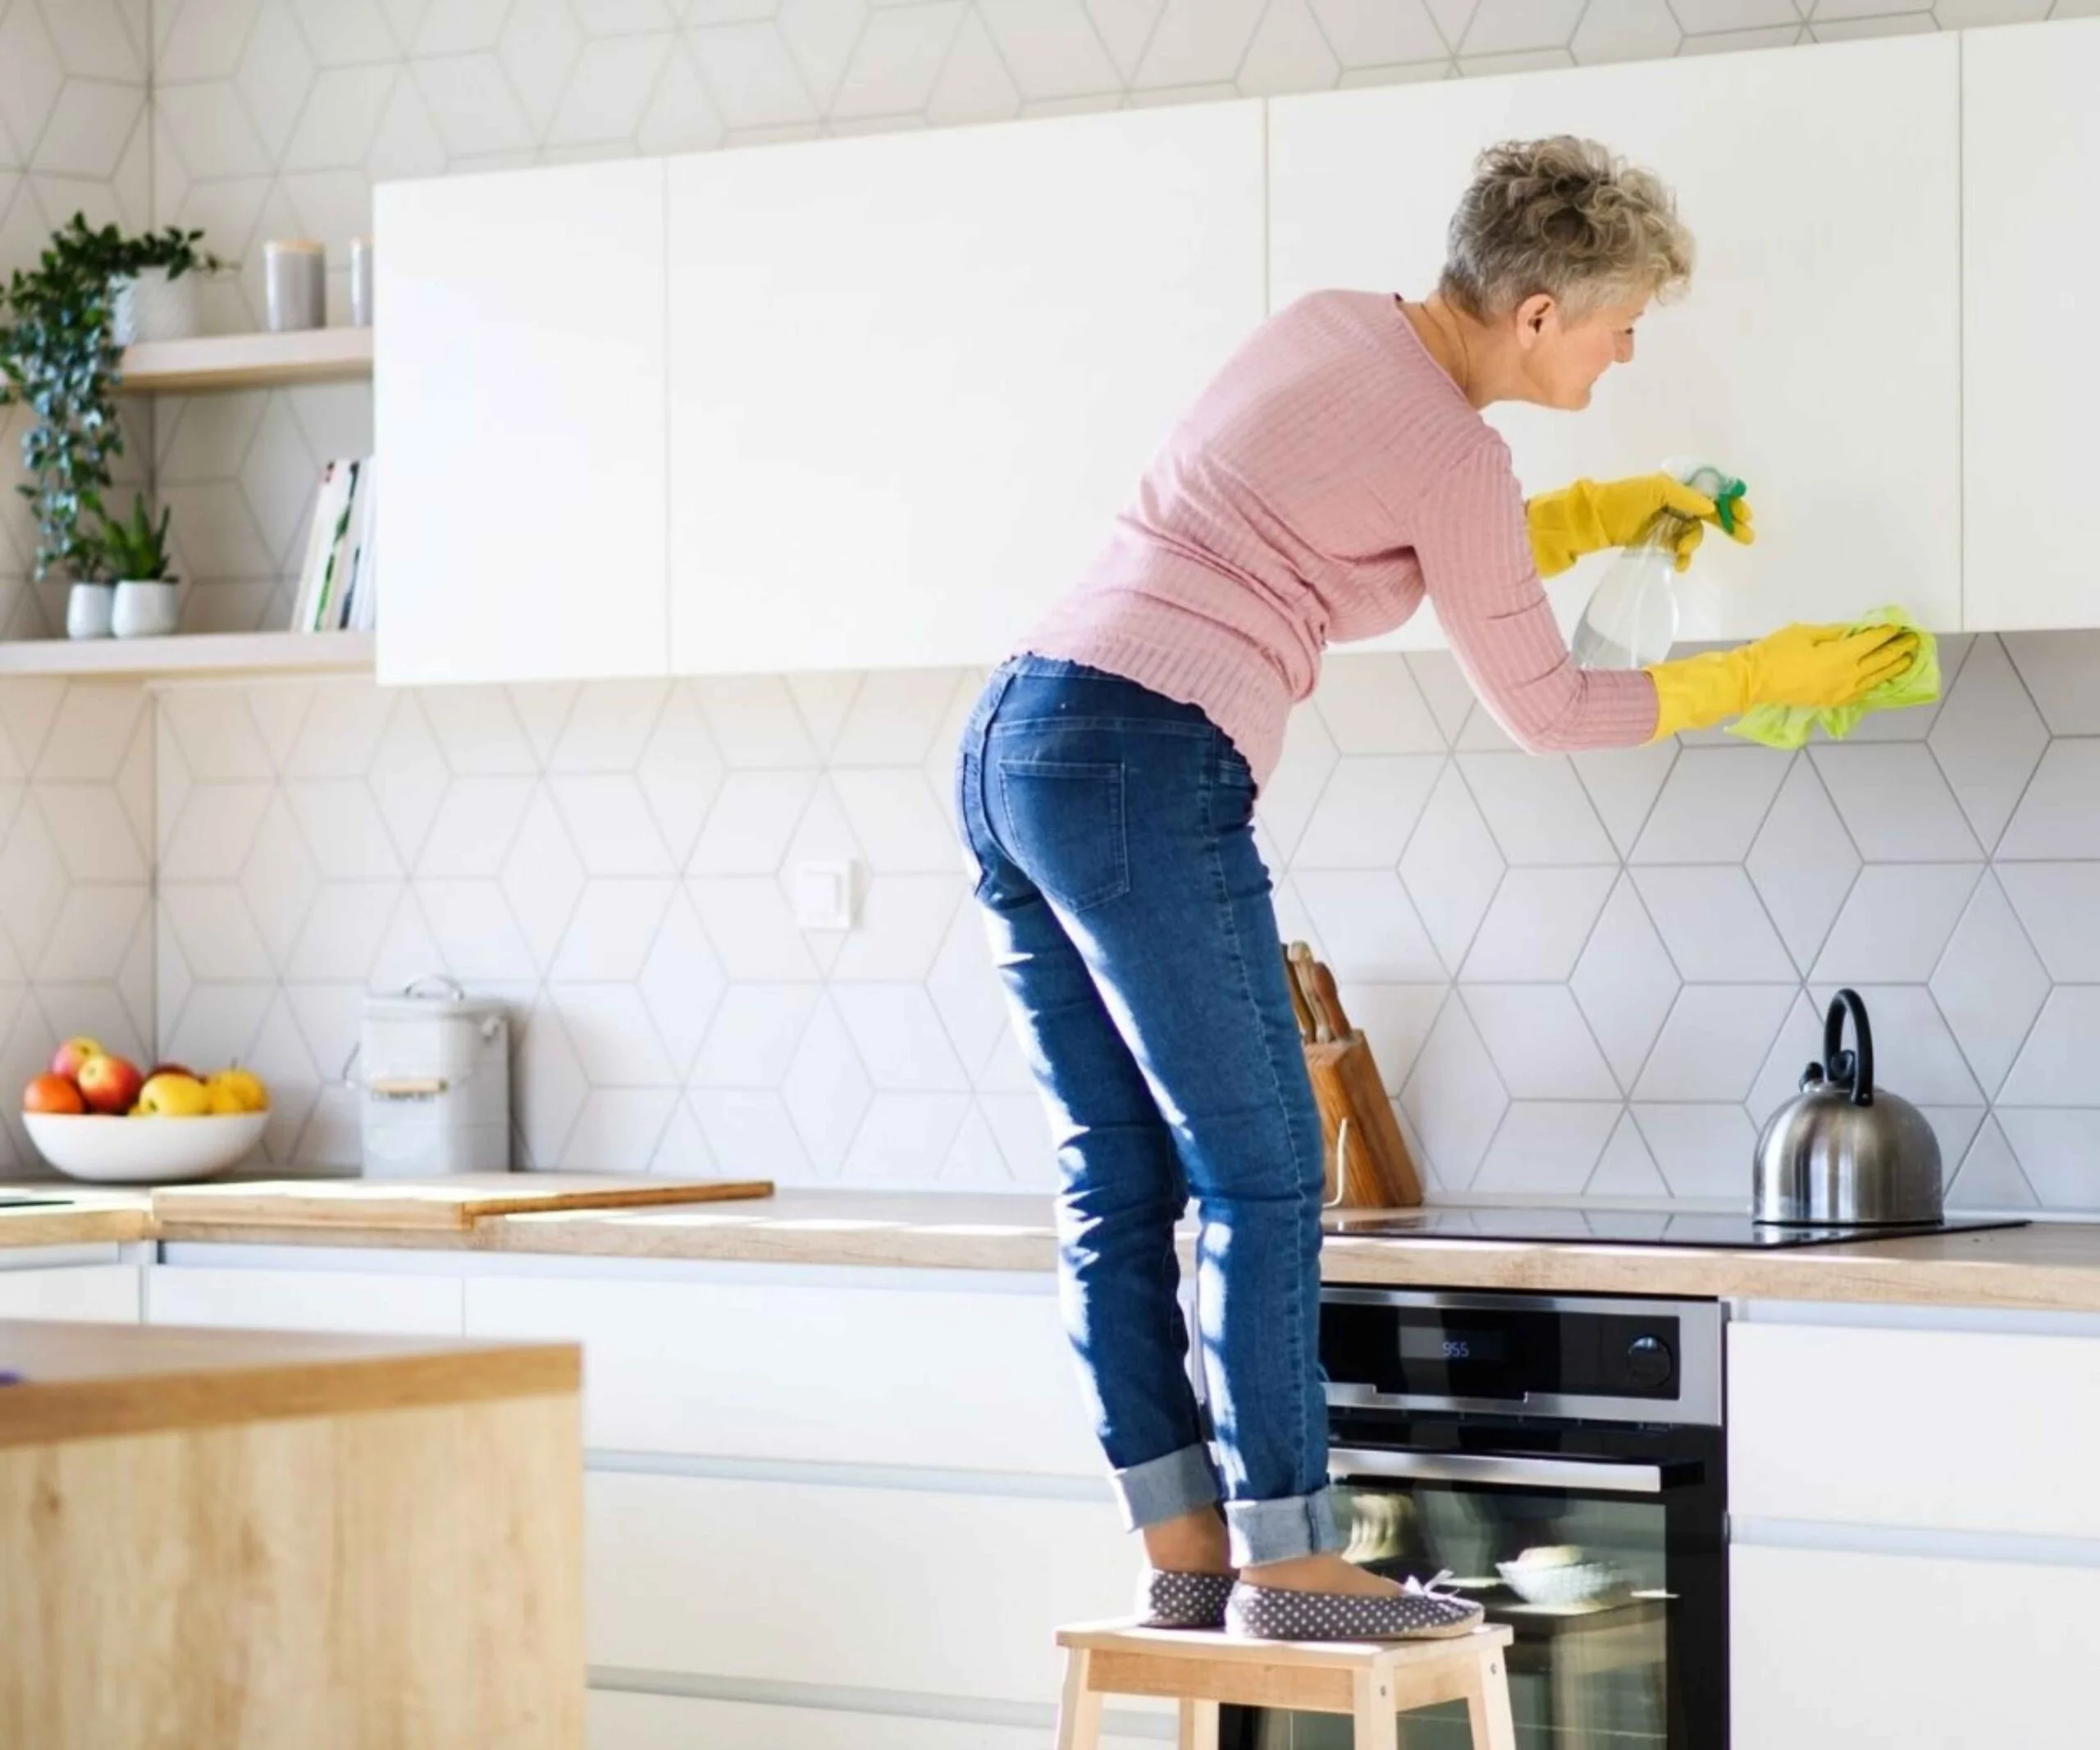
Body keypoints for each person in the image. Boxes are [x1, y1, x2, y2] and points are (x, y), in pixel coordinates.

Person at [951, 136, 1914, 1643]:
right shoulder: (1458, 453)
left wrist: (1589, 518)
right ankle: (1290, 1568)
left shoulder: (1333, 328)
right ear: (1537, 314)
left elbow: (1392, 545)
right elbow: (1549, 708)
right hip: (1145, 753)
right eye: (1619, 324)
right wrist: (1754, 678)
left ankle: (1187, 1551)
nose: (1625, 352)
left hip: (1020, 732)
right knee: (1265, 1172)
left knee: (1118, 1176)